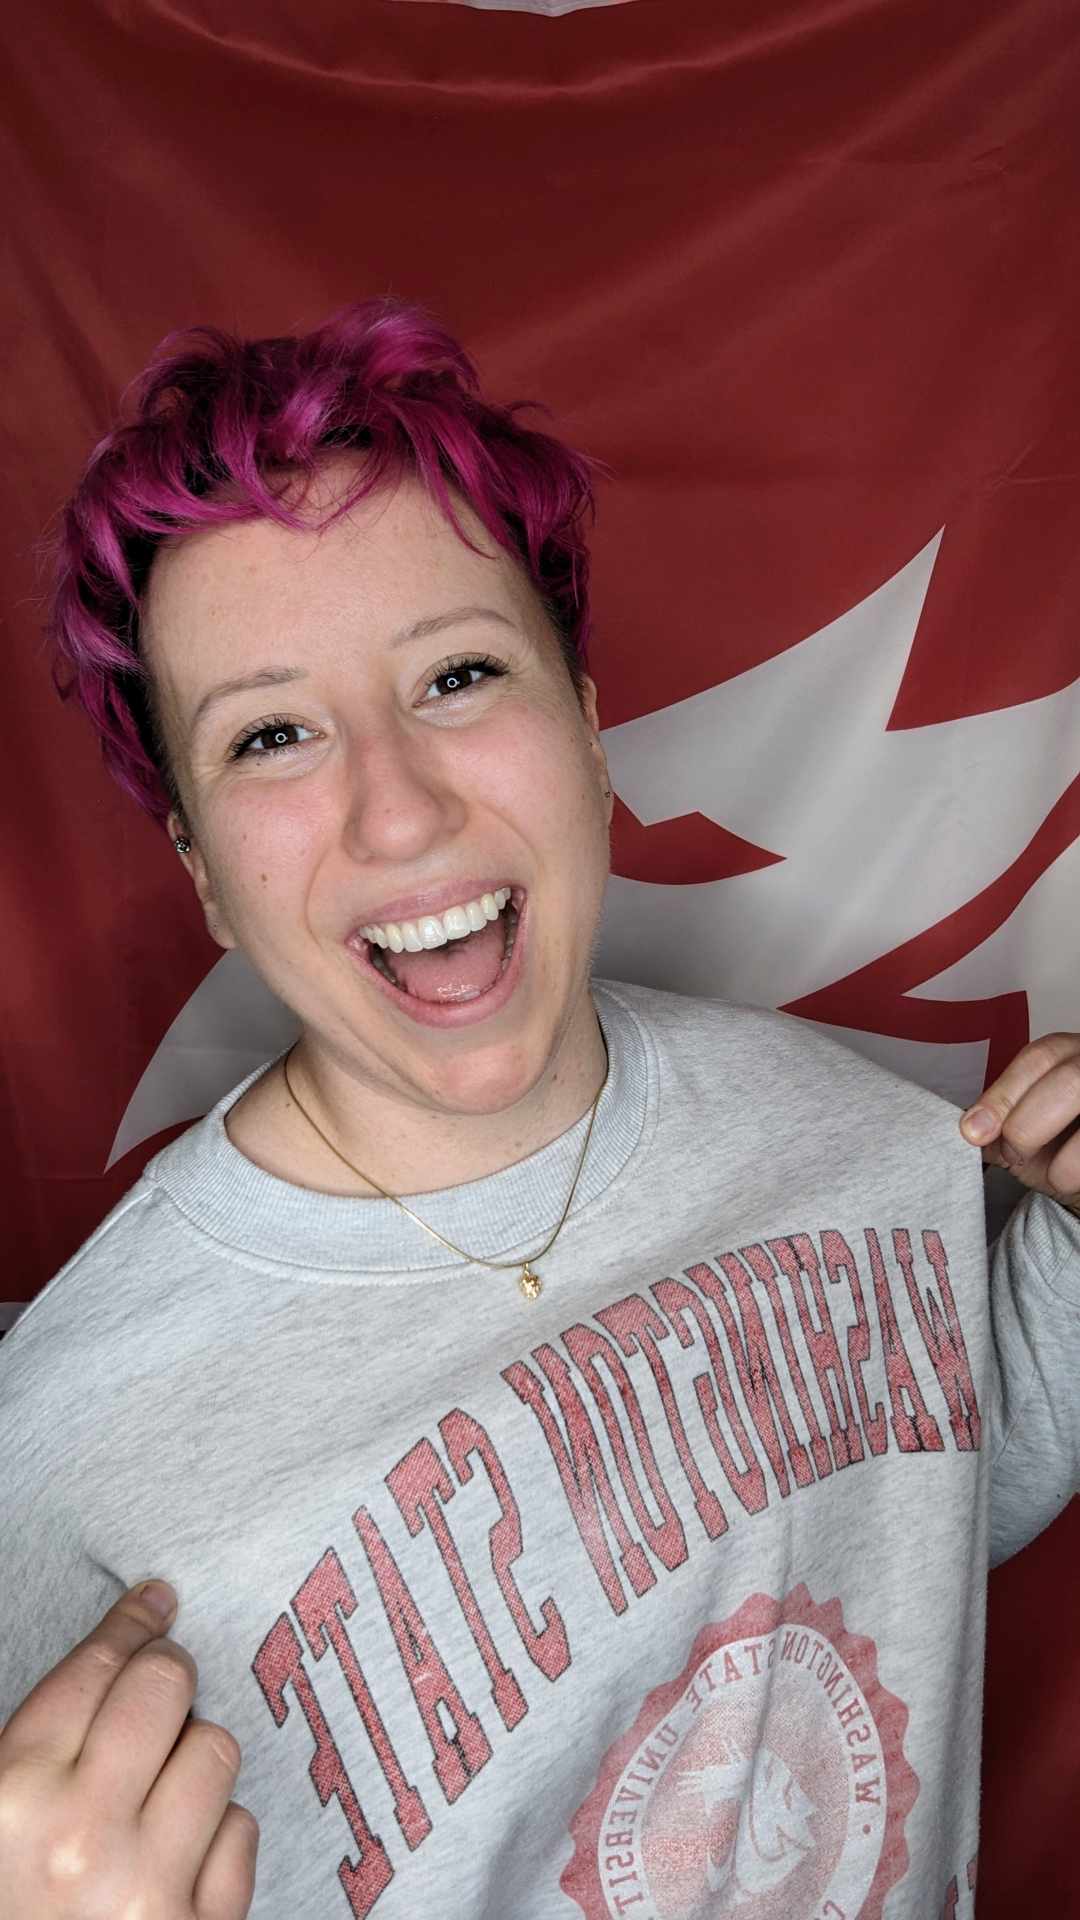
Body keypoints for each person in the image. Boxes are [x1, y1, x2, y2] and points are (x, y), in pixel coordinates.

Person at [1, 300, 1078, 1920]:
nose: (397, 802)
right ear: (205, 877)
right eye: (274, 734)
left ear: (585, 731)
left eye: (456, 675)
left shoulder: (859, 1142)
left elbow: (933, 1489)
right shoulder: (60, 1453)